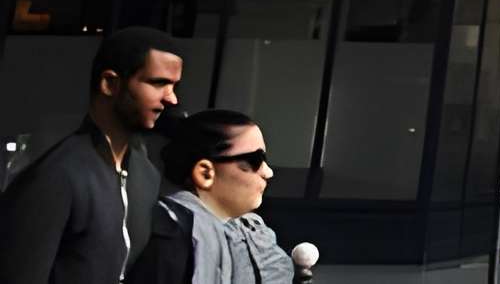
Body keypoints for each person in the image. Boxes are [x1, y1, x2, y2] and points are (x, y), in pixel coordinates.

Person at [0, 27, 184, 284]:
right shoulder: (57, 175)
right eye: (158, 83)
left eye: (174, 85)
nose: (171, 98)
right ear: (110, 84)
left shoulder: (146, 174)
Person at [129, 114, 291, 284]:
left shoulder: (254, 231)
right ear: (205, 173)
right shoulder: (172, 235)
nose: (268, 172)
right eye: (255, 160)